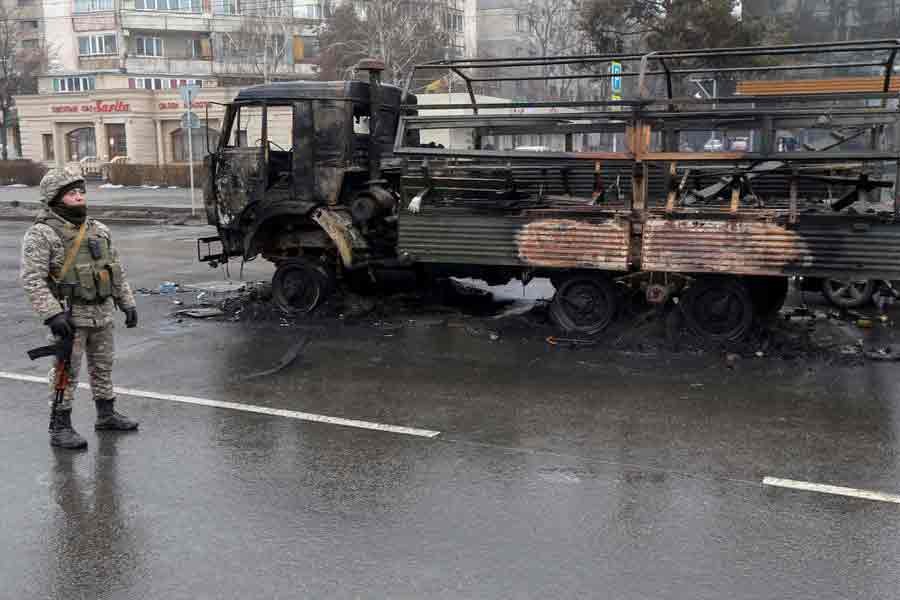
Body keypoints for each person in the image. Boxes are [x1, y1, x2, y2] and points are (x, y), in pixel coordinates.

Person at [20, 167, 139, 450]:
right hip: (70, 317)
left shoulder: (99, 230)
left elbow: (115, 270)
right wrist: (51, 313)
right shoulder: (42, 234)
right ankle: (60, 426)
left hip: (101, 313)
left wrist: (127, 303)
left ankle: (106, 414)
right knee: (65, 373)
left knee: (103, 366)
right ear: (55, 198)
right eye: (72, 193)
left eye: (80, 192)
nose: (79, 197)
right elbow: (32, 278)